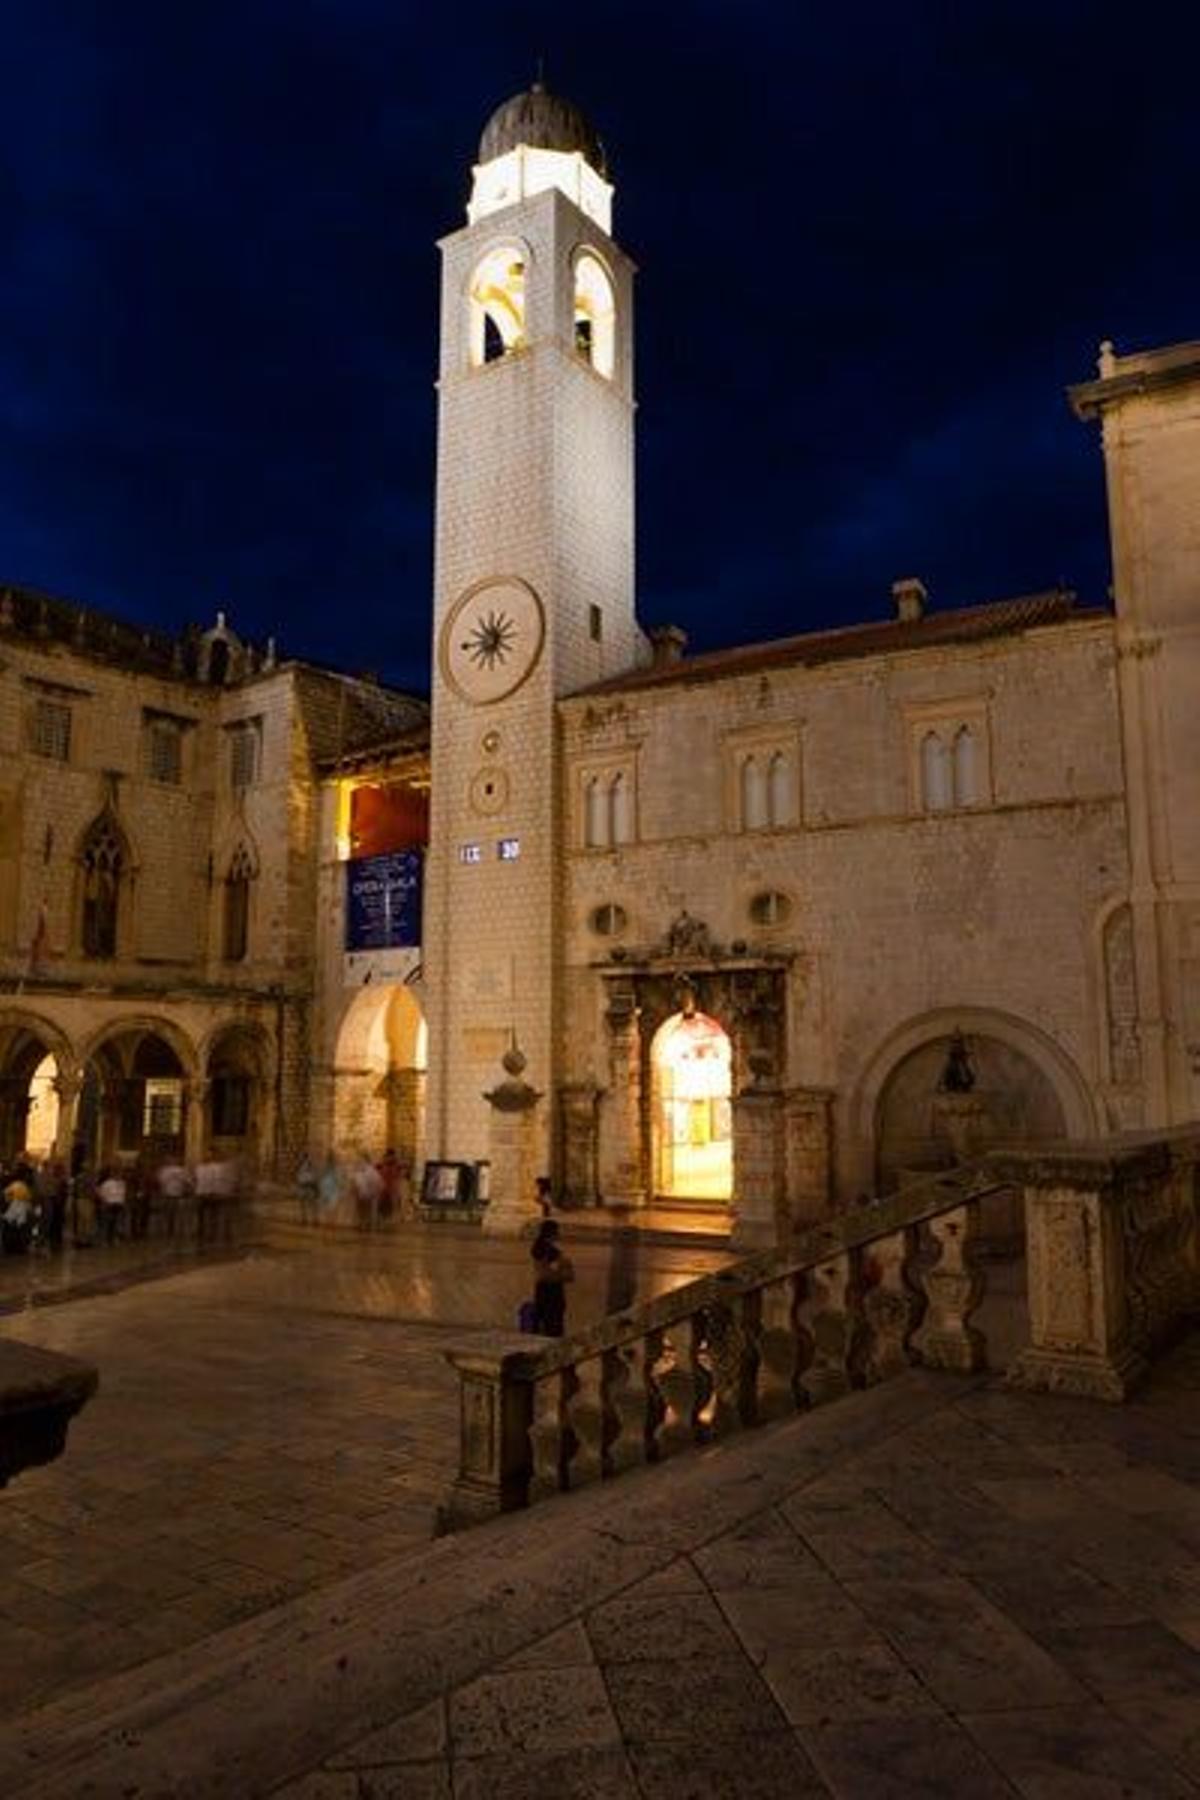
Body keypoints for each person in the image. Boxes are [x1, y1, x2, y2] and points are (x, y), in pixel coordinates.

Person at [530, 1219, 573, 1338]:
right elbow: (565, 1274)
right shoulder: (551, 1251)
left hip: (542, 1289)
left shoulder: (537, 1248)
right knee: (553, 1326)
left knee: (542, 1323)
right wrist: (566, 1268)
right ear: (553, 1233)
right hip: (553, 1291)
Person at [2, 1169, 35, 1255]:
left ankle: (11, 1248)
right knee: (20, 1230)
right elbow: (28, 1199)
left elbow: (6, 1197)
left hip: (13, 1212)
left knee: (12, 1230)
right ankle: (19, 1248)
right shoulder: (23, 1186)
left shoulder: (12, 1186)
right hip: (19, 1212)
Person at [350, 1152, 383, 1231]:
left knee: (365, 1210)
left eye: (361, 1160)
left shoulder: (369, 1171)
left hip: (368, 1194)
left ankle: (366, 1224)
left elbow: (377, 1183)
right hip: (365, 1194)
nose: (359, 1161)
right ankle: (364, 1224)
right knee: (363, 1210)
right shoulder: (361, 1171)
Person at [96, 1166, 128, 1245]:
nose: (118, 1175)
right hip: (109, 1204)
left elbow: (123, 1193)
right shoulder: (107, 1183)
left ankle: (113, 1238)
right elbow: (101, 1194)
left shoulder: (122, 1183)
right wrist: (105, 1202)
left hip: (119, 1204)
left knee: (116, 1223)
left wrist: (123, 1202)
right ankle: (106, 1239)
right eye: (116, 1173)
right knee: (108, 1223)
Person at [317, 1152, 341, 1226]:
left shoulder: (325, 1167)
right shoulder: (334, 1168)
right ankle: (331, 1224)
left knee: (328, 1209)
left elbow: (321, 1178)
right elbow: (337, 1179)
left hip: (326, 1188)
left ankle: (329, 1224)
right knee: (332, 1209)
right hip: (331, 1189)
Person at [296, 1154, 319, 1227]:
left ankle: (313, 1219)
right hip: (304, 1186)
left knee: (310, 1204)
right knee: (305, 1204)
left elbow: (313, 1177)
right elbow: (299, 1177)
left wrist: (315, 1187)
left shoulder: (310, 1167)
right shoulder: (300, 1166)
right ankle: (306, 1219)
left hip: (308, 1186)